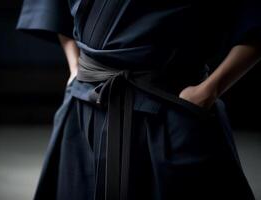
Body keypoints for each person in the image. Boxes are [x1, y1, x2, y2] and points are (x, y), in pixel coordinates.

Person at [17, 0, 261, 199]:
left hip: (175, 108)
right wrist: (74, 65)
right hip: (88, 102)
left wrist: (210, 89)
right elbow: (53, 6)